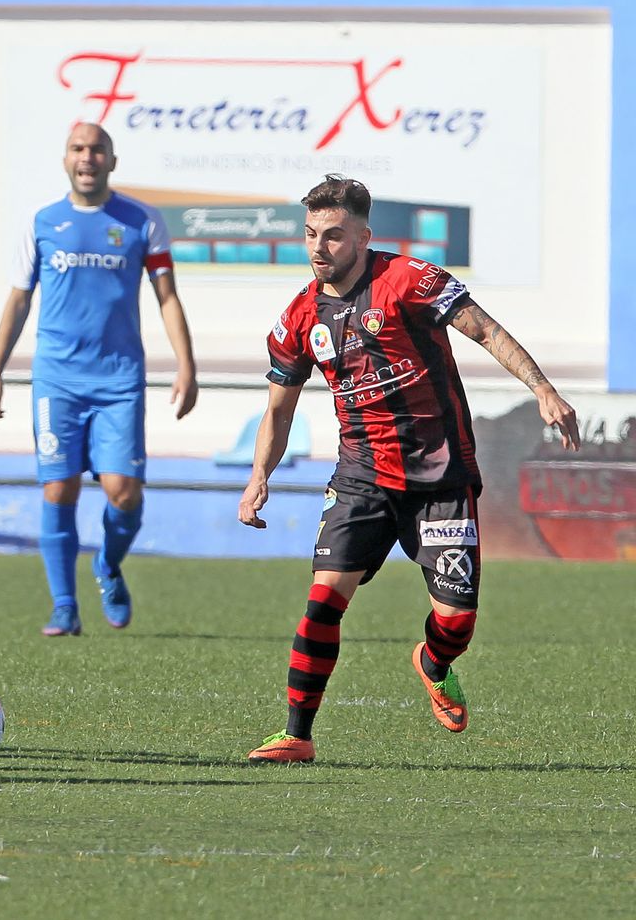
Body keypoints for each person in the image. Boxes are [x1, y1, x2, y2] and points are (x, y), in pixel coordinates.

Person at [239, 175, 579, 764]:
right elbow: (279, 407)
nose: (320, 248)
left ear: (365, 236)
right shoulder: (300, 316)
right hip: (361, 477)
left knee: (457, 619)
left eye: (335, 235)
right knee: (324, 599)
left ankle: (433, 661)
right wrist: (258, 476)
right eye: (311, 235)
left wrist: (543, 389)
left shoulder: (409, 282)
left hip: (440, 476)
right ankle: (297, 733)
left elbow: (487, 330)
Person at [0, 123, 197, 636]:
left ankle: (107, 565)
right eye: (78, 148)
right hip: (57, 381)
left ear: (111, 161)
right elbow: (17, 301)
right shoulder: (41, 223)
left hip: (119, 379)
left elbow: (167, 296)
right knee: (58, 489)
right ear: (65, 160)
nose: (87, 157)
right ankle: (64, 606)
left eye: (97, 149)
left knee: (124, 492)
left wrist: (186, 364)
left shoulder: (142, 221)